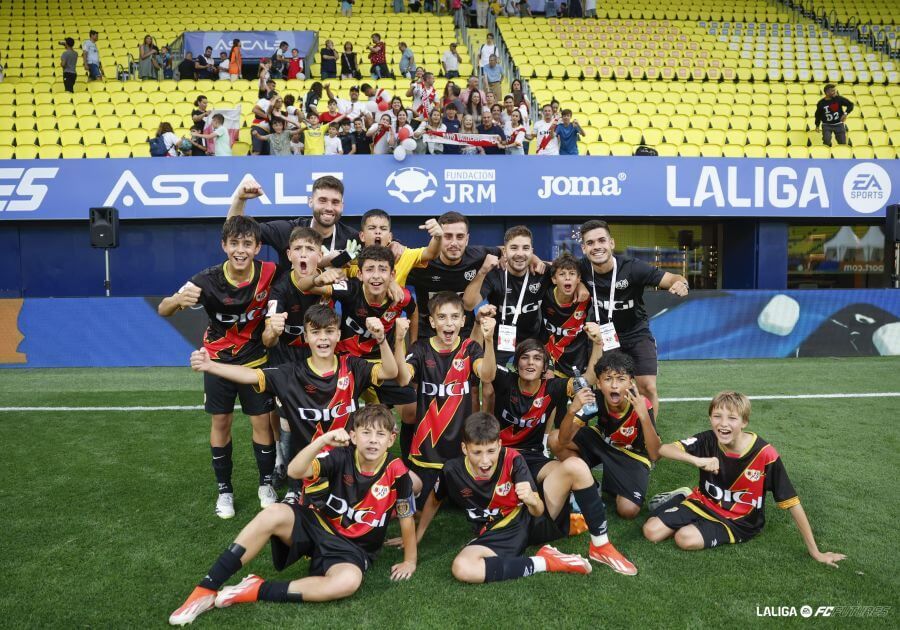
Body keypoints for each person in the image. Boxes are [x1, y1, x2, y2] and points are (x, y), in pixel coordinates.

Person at [167, 405, 418, 626]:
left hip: (353, 551)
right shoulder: (341, 455)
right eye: (366, 432)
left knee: (348, 583)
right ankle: (204, 589)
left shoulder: (397, 472)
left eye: (380, 434)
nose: (373, 440)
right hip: (319, 526)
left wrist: (410, 561)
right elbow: (296, 471)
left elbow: (406, 519)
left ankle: (255, 589)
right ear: (352, 435)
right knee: (273, 512)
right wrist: (323, 441)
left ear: (391, 439)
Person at [407, 412, 637, 582]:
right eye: (477, 452)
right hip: (498, 533)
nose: (485, 460)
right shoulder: (451, 470)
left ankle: (601, 545)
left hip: (532, 518)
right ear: (465, 449)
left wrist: (532, 499)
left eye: (491, 451)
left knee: (575, 466)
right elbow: (434, 500)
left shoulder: (513, 458)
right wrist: (417, 537)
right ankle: (547, 560)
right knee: (463, 568)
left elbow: (537, 510)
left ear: (499, 445)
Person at [157, 216, 277, 519]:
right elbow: (164, 309)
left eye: (247, 243)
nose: (241, 250)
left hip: (256, 362)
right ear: (224, 245)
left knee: (262, 423)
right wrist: (177, 299)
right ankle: (224, 490)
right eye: (234, 243)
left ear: (258, 247)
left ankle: (266, 484)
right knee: (220, 423)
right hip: (217, 362)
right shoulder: (205, 279)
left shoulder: (270, 273)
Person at [643, 392, 847, 567]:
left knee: (684, 538)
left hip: (739, 522)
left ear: (744, 422)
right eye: (717, 416)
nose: (723, 424)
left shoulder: (765, 454)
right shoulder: (707, 439)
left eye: (732, 418)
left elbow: (792, 502)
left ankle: (683, 503)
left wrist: (816, 552)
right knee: (650, 532)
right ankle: (685, 496)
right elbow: (664, 449)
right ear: (710, 419)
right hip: (702, 502)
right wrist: (697, 460)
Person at [578, 219, 688, 417]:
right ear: (584, 248)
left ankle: (649, 433)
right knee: (604, 386)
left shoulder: (632, 267)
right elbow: (549, 268)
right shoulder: (580, 268)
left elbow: (672, 278)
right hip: (604, 336)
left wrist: (681, 283)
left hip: (636, 333)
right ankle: (610, 430)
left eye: (601, 240)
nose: (597, 247)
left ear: (611, 243)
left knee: (647, 387)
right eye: (591, 243)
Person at [398, 293, 496, 498]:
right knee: (422, 500)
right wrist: (399, 340)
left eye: (454, 317)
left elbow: (487, 374)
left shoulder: (470, 348)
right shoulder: (421, 348)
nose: (448, 323)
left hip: (460, 455)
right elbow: (403, 378)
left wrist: (488, 339)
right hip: (425, 454)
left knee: (465, 502)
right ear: (432, 322)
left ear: (463, 320)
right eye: (442, 317)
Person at [554, 351, 660, 519]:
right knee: (554, 438)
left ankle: (665, 497)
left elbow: (655, 454)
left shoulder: (641, 403)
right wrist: (572, 410)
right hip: (603, 443)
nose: (614, 385)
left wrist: (644, 416)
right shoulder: (595, 398)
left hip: (633, 456)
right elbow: (563, 440)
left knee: (628, 510)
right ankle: (589, 484)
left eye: (620, 379)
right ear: (599, 383)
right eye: (608, 379)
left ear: (630, 382)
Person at [227, 175, 359, 273]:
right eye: (322, 200)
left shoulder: (353, 239)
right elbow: (234, 232)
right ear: (310, 201)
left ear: (342, 206)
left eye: (335, 202)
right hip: (287, 307)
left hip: (327, 309)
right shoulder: (288, 231)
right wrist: (240, 198)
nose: (329, 207)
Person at [463, 225, 551, 366]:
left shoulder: (541, 271)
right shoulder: (494, 273)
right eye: (514, 248)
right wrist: (482, 272)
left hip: (532, 344)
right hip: (499, 345)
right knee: (491, 387)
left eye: (526, 248)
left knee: (538, 385)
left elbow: (571, 271)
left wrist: (581, 286)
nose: (520, 253)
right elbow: (468, 304)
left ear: (532, 251)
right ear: (505, 251)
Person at [407, 211, 501, 341]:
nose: (454, 243)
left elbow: (507, 250)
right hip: (427, 338)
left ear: (467, 239)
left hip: (464, 336)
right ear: (437, 237)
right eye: (448, 236)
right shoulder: (421, 262)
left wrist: (534, 259)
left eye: (460, 237)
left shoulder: (478, 255)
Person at [539, 252, 592, 377]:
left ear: (579, 279)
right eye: (562, 274)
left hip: (578, 356)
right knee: (548, 383)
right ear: (554, 279)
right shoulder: (545, 295)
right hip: (550, 353)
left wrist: (583, 286)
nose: (567, 278)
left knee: (582, 393)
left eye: (572, 274)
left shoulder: (587, 297)